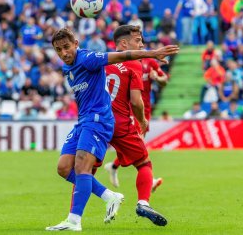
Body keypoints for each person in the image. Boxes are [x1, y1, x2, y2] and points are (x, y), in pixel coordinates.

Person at [46, 28, 179, 231]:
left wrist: (152, 53)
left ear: (76, 44)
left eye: (66, 47)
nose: (64, 53)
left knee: (82, 167)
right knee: (64, 168)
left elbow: (124, 56)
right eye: (58, 50)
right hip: (85, 121)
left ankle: (74, 220)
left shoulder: (89, 58)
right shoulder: (67, 68)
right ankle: (110, 196)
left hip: (99, 119)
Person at [104, 25, 167, 226]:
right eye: (138, 41)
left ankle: (75, 216)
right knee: (143, 162)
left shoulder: (101, 60)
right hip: (125, 119)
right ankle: (143, 201)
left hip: (97, 122)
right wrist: (141, 120)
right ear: (124, 43)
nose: (142, 45)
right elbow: (136, 101)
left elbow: (164, 80)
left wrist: (159, 78)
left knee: (84, 170)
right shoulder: (135, 64)